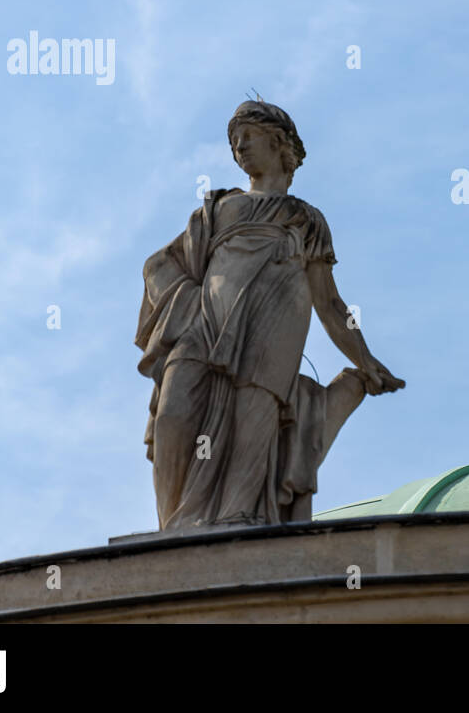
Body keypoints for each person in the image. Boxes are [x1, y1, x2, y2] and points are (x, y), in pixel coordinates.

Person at [135, 100, 403, 530]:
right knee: (173, 415)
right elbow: (158, 263)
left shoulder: (306, 219)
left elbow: (330, 303)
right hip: (206, 321)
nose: (238, 147)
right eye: (233, 141)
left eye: (248, 136)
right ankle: (175, 526)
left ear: (279, 144)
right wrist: (185, 304)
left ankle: (241, 514)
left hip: (275, 321)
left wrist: (365, 360)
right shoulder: (218, 207)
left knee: (253, 418)